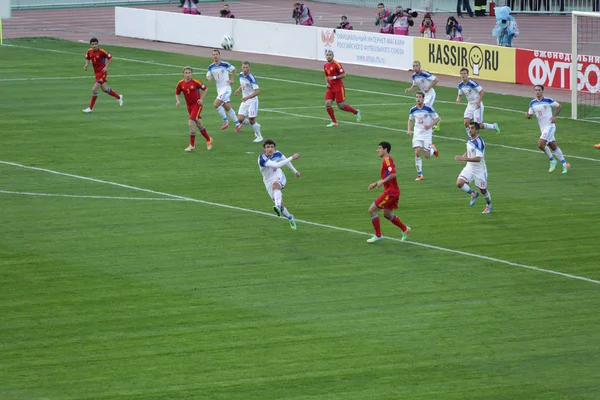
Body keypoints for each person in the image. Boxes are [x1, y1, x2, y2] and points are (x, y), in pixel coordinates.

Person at [367, 141, 411, 244]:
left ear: (385, 149)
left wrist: (382, 182)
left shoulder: (387, 160)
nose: (377, 150)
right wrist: (376, 183)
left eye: (379, 148)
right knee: (387, 214)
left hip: (390, 192)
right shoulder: (386, 160)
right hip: (393, 191)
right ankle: (405, 229)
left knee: (372, 210)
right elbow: (387, 176)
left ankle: (378, 235)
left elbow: (393, 174)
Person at [525, 85, 570, 174]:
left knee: (540, 144)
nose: (537, 91)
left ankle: (552, 160)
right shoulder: (532, 103)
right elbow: (530, 115)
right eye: (536, 90)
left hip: (550, 126)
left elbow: (559, 106)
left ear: (542, 91)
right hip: (542, 128)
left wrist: (554, 116)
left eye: (539, 90)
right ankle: (565, 163)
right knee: (552, 146)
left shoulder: (548, 100)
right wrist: (527, 115)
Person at [258, 139, 300, 230]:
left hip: (279, 176)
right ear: (264, 149)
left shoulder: (278, 153)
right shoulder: (262, 159)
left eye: (272, 147)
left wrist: (295, 171)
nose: (270, 149)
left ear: (274, 148)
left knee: (275, 186)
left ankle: (276, 206)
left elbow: (286, 161)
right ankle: (290, 217)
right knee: (281, 207)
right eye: (268, 147)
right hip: (268, 181)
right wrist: (292, 157)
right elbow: (276, 165)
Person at [454, 122, 493, 214]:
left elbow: (478, 159)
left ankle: (489, 205)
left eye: (472, 128)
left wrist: (464, 158)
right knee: (459, 183)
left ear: (477, 130)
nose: (470, 130)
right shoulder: (470, 138)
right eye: (469, 128)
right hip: (469, 167)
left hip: (479, 169)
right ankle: (473, 194)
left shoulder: (479, 142)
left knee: (483, 190)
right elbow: (470, 149)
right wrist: (464, 155)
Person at [175, 66, 213, 152]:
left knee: (191, 122)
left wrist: (201, 99)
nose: (188, 75)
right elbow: (177, 93)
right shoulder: (180, 83)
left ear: (191, 74)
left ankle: (192, 145)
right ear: (183, 74)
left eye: (189, 73)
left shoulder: (196, 82)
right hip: (189, 107)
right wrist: (178, 101)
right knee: (198, 123)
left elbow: (205, 89)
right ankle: (208, 139)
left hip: (197, 105)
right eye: (186, 73)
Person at [82, 38, 123, 113]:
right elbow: (87, 57)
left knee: (94, 89)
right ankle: (119, 97)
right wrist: (86, 64)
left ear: (98, 44)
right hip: (96, 73)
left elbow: (110, 58)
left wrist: (106, 67)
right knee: (105, 89)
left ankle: (90, 108)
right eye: (92, 44)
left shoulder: (102, 52)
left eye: (95, 44)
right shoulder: (89, 51)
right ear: (90, 45)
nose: (94, 46)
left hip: (102, 72)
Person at [456, 67, 500, 136]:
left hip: (477, 105)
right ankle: (470, 138)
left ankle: (493, 126)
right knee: (466, 123)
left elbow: (482, 91)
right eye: (461, 74)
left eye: (464, 73)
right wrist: (458, 99)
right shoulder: (460, 85)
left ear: (467, 74)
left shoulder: (472, 83)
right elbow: (460, 94)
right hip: (470, 105)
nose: (463, 75)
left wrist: (479, 101)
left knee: (477, 126)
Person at [407, 92, 440, 181]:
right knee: (417, 151)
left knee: (427, 155)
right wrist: (409, 130)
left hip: (426, 134)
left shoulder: (428, 108)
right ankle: (420, 175)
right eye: (416, 97)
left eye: (420, 97)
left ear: (423, 98)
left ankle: (433, 149)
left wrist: (430, 125)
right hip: (417, 133)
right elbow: (410, 120)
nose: (418, 99)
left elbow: (437, 119)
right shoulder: (413, 109)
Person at [323, 50, 361, 128]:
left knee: (340, 106)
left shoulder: (336, 64)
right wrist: (327, 83)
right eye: (327, 55)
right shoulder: (325, 65)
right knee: (327, 104)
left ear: (333, 56)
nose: (328, 56)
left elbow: (344, 75)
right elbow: (326, 75)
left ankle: (356, 112)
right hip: (330, 88)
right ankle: (334, 122)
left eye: (330, 55)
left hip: (338, 87)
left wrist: (333, 77)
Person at [206, 49, 240, 131]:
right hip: (219, 89)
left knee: (216, 104)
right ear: (212, 56)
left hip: (226, 88)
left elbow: (234, 70)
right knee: (227, 107)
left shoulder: (225, 64)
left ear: (219, 55)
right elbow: (208, 75)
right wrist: (209, 78)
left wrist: (232, 79)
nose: (215, 56)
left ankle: (226, 121)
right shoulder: (211, 66)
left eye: (217, 54)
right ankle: (238, 124)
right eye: (213, 54)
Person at [405, 61, 440, 131]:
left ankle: (435, 124)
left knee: (426, 107)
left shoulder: (424, 73)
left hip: (430, 94)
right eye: (413, 66)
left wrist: (428, 88)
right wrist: (409, 89)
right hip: (423, 95)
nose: (415, 68)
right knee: (425, 109)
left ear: (420, 66)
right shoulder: (414, 76)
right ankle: (433, 124)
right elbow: (414, 86)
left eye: (416, 66)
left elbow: (436, 79)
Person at [234, 61, 263, 143]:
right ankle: (256, 126)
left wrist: (247, 97)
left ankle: (259, 136)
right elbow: (243, 84)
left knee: (251, 120)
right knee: (240, 119)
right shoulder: (240, 75)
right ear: (241, 68)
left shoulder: (252, 78)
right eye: (244, 67)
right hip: (245, 100)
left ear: (249, 68)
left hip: (252, 101)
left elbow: (257, 91)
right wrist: (238, 90)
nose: (245, 69)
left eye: (247, 67)